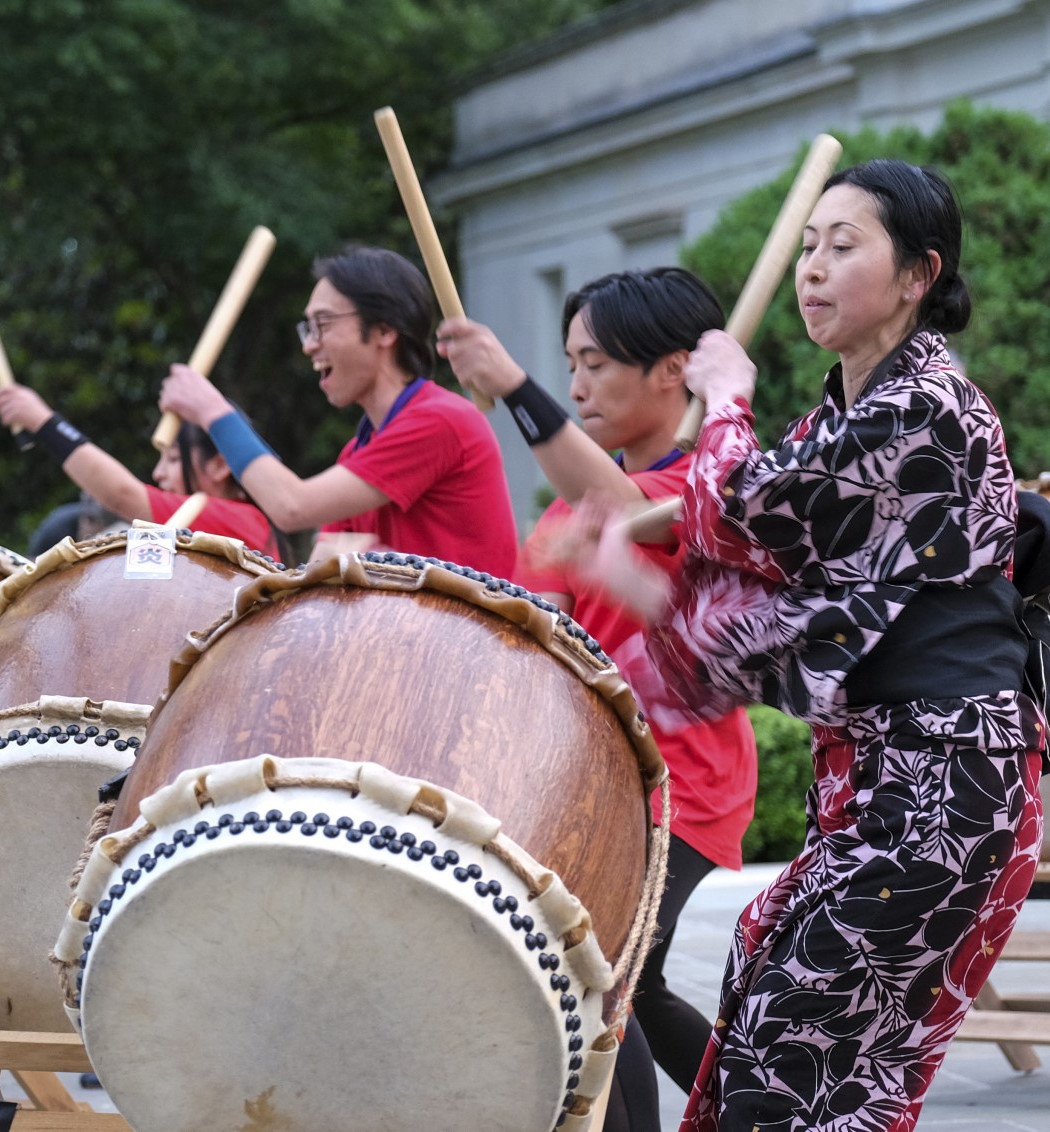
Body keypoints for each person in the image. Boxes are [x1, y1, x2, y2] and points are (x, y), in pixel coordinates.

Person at [554, 160, 1046, 1131]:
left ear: (917, 275)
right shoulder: (845, 417)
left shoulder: (926, 406)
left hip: (945, 780)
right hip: (893, 775)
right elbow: (770, 603)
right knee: (791, 1038)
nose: (811, 268)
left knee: (794, 1056)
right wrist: (636, 581)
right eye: (808, 246)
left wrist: (727, 393)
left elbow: (742, 508)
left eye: (844, 245)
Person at [438, 268, 759, 1118]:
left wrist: (512, 385)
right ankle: (770, 1112)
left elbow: (624, 508)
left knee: (595, 986)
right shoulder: (564, 511)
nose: (576, 384)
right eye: (566, 364)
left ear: (673, 370)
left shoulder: (712, 490)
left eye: (597, 362)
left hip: (681, 784)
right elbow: (538, 651)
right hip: (598, 786)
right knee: (626, 988)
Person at [157, 245, 519, 579]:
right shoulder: (358, 451)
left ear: (384, 330)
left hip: (464, 644)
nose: (310, 345)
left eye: (323, 325)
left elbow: (292, 506)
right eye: (308, 329)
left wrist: (212, 411)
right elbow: (317, 569)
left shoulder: (442, 420)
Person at [0, 384, 285, 560]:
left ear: (220, 465)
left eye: (172, 459)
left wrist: (42, 421)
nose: (158, 473)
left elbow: (121, 493)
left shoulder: (243, 520)